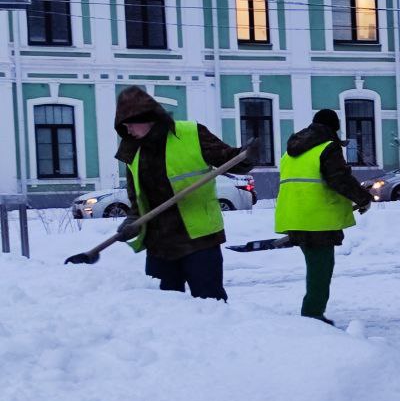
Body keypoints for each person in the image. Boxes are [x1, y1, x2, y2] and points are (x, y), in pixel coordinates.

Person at [114, 86, 251, 301]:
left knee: (210, 303)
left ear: (146, 118)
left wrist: (246, 156)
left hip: (199, 240)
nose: (128, 130)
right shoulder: (132, 150)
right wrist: (133, 219)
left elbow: (228, 160)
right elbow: (136, 196)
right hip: (159, 243)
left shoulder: (190, 133)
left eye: (130, 123)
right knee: (163, 308)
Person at [275, 109, 373, 324]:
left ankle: (312, 312)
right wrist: (363, 198)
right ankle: (312, 315)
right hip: (317, 219)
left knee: (316, 266)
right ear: (334, 127)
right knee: (321, 269)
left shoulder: (292, 151)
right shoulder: (328, 147)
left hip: (294, 215)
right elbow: (339, 179)